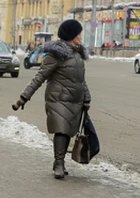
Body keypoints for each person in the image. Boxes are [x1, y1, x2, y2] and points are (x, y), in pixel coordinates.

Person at [12, 19, 91, 180]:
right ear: (71, 35)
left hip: (75, 100)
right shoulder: (56, 54)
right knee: (61, 130)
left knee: (68, 130)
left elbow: (81, 80)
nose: (80, 36)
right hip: (58, 99)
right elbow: (40, 76)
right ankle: (59, 163)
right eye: (78, 33)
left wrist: (87, 98)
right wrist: (23, 98)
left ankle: (58, 162)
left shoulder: (77, 54)